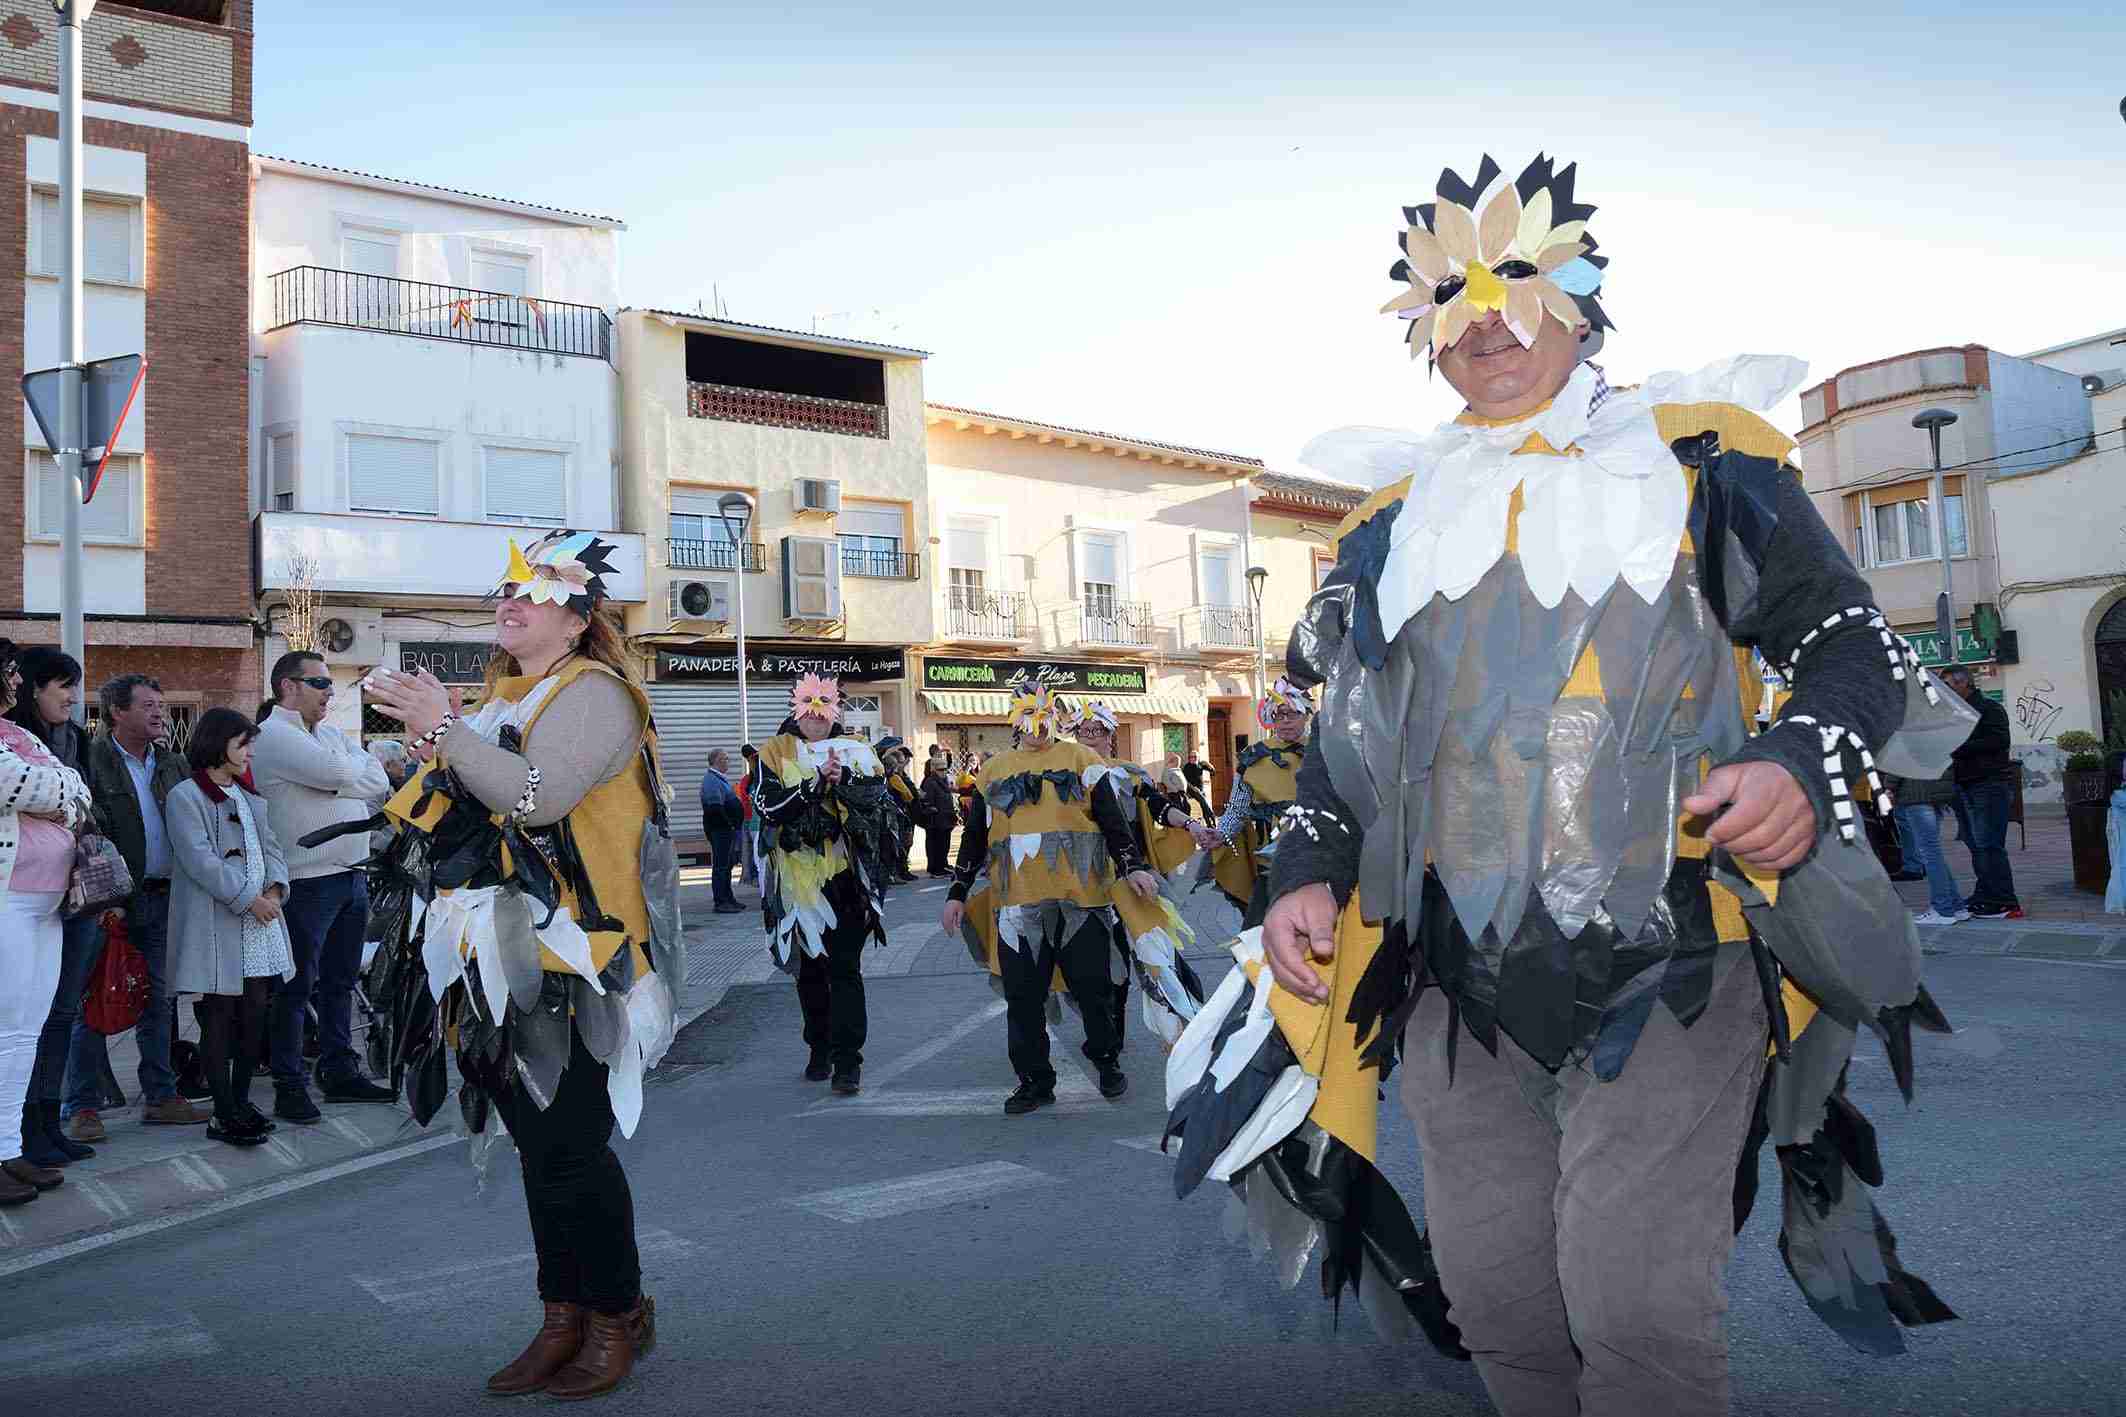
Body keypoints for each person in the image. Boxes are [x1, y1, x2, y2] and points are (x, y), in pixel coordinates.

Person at [1174, 154, 1957, 1416]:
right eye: (1450, 297)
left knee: (1631, 1305)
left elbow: (1848, 643)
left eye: (1512, 284)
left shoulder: (1704, 468)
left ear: (1581, 306)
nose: (1481, 317)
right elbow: (1342, 742)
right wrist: (1304, 873)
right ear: (1422, 332)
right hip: (1454, 982)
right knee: (1500, 1305)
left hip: (1672, 960)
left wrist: (1797, 763)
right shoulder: (1387, 527)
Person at [366, 529, 673, 1399]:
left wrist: (447, 731)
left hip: (582, 953)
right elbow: (447, 815)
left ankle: (617, 1314)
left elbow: (537, 799)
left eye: (536, 592)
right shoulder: (508, 695)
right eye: (507, 588)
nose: (512, 600)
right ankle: (562, 1315)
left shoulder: (597, 692)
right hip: (497, 954)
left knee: (570, 1147)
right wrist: (430, 750)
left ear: (577, 621)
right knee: (540, 1150)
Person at [940, 684, 1157, 1113]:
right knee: (1023, 998)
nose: (1037, 727)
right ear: (1015, 720)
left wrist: (1133, 866)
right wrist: (957, 893)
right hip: (1017, 904)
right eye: (1028, 717)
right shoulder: (994, 770)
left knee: (1094, 989)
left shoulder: (1083, 760)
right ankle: (1034, 1081)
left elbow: (1114, 823)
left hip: (1083, 899)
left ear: (1055, 718)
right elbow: (974, 838)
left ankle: (1106, 1060)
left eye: (1045, 717)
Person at [249, 651, 395, 1121]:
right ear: (288, 687)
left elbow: (377, 780)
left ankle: (339, 1070)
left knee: (340, 983)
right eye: (319, 683)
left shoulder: (328, 735)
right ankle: (289, 1084)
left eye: (330, 684)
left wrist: (340, 776)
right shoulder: (273, 735)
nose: (330, 693)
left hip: (350, 874)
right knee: (296, 988)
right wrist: (343, 774)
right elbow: (340, 774)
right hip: (305, 882)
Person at [70, 673, 205, 1137]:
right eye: (147, 705)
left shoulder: (171, 763)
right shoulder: (91, 762)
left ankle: (161, 1096)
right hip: (110, 906)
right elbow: (88, 832)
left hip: (164, 898)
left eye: (161, 705)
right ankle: (82, 1106)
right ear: (116, 712)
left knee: (160, 1002)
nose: (159, 713)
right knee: (95, 1001)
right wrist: (109, 900)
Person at [747, 676, 891, 1096]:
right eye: (808, 707)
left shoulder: (857, 748)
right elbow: (767, 806)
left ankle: (848, 1062)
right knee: (810, 971)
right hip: (796, 884)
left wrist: (842, 778)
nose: (816, 716)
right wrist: (813, 786)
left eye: (824, 707)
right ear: (796, 711)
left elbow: (877, 794)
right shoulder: (772, 752)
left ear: (836, 710)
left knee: (845, 969)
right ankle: (819, 1047)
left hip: (846, 879)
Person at [166, 708, 295, 1147]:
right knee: (219, 1016)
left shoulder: (247, 794)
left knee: (255, 1013)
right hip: (220, 922)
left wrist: (274, 890)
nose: (250, 752)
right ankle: (222, 1112)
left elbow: (271, 847)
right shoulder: (186, 796)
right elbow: (199, 860)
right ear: (218, 744)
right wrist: (248, 899)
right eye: (243, 744)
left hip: (260, 921)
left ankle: (241, 1102)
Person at [0, 645, 94, 1203]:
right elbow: (21, 786)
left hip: (48, 904)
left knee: (25, 1032)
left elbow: (78, 791)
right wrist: (59, 792)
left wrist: (59, 793)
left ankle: (9, 1148)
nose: (15, 682)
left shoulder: (19, 736)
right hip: (8, 902)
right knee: (4, 1028)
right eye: (9, 673)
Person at [1066, 700, 1205, 1051]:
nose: (1090, 737)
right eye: (1083, 731)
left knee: (1152, 953)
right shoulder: (1065, 777)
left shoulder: (1129, 775)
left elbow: (1161, 808)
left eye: (1097, 731)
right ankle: (1109, 1036)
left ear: (1110, 736)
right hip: (1086, 881)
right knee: (1099, 961)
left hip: (1130, 879)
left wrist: (1192, 825)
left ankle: (1178, 1025)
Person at [1198, 678, 1313, 928]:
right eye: (1280, 714)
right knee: (1258, 931)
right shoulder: (1254, 756)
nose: (1285, 720)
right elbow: (1237, 808)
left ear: (1306, 715)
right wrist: (1221, 833)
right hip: (1269, 860)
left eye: (1293, 714)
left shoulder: (1324, 752)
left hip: (1314, 860)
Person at [1941, 665, 2020, 919]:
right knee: (1975, 844)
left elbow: (1999, 741)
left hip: (1988, 784)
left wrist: (1956, 746)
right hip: (1963, 785)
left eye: (1948, 685)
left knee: (1989, 844)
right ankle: (1985, 893)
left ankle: (2004, 900)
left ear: (1964, 683)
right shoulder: (1953, 712)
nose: (1944, 690)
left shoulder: (1989, 708)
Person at [1891, 764, 1967, 925]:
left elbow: (1900, 760)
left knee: (1930, 853)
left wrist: (1889, 785)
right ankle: (1956, 906)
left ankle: (1943, 909)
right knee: (1933, 852)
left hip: (1916, 793)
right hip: (1937, 791)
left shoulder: (1910, 742)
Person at [700, 749, 745, 914]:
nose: (728, 761)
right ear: (716, 761)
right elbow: (714, 808)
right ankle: (720, 902)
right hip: (720, 830)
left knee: (727, 866)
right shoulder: (711, 780)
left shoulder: (719, 779)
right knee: (721, 867)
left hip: (725, 830)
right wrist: (729, 825)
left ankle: (729, 898)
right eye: (725, 759)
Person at [877, 736, 919, 885]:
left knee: (889, 846)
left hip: (887, 814)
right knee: (896, 845)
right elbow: (908, 795)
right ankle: (894, 874)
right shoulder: (894, 778)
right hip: (896, 814)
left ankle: (892, 874)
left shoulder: (883, 777)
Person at [920, 756, 958, 877]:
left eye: (945, 769)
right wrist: (933, 810)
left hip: (946, 818)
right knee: (936, 845)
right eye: (941, 769)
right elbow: (927, 802)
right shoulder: (930, 782)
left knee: (944, 844)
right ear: (934, 769)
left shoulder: (944, 781)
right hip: (936, 820)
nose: (944, 772)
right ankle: (937, 869)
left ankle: (943, 865)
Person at [736, 744, 759, 886]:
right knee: (756, 852)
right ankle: (754, 877)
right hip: (755, 821)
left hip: (749, 820)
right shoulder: (754, 780)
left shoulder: (746, 780)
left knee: (749, 852)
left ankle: (750, 877)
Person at [1179, 752, 1213, 821]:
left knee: (1203, 804)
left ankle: (1208, 821)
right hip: (1191, 789)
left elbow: (1213, 771)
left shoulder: (1200, 765)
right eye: (1191, 757)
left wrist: (1209, 765)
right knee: (1203, 801)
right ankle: (1211, 815)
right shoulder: (1187, 767)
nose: (1193, 758)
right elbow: (1185, 781)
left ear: (1198, 758)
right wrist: (1194, 788)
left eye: (1195, 757)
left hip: (1200, 789)